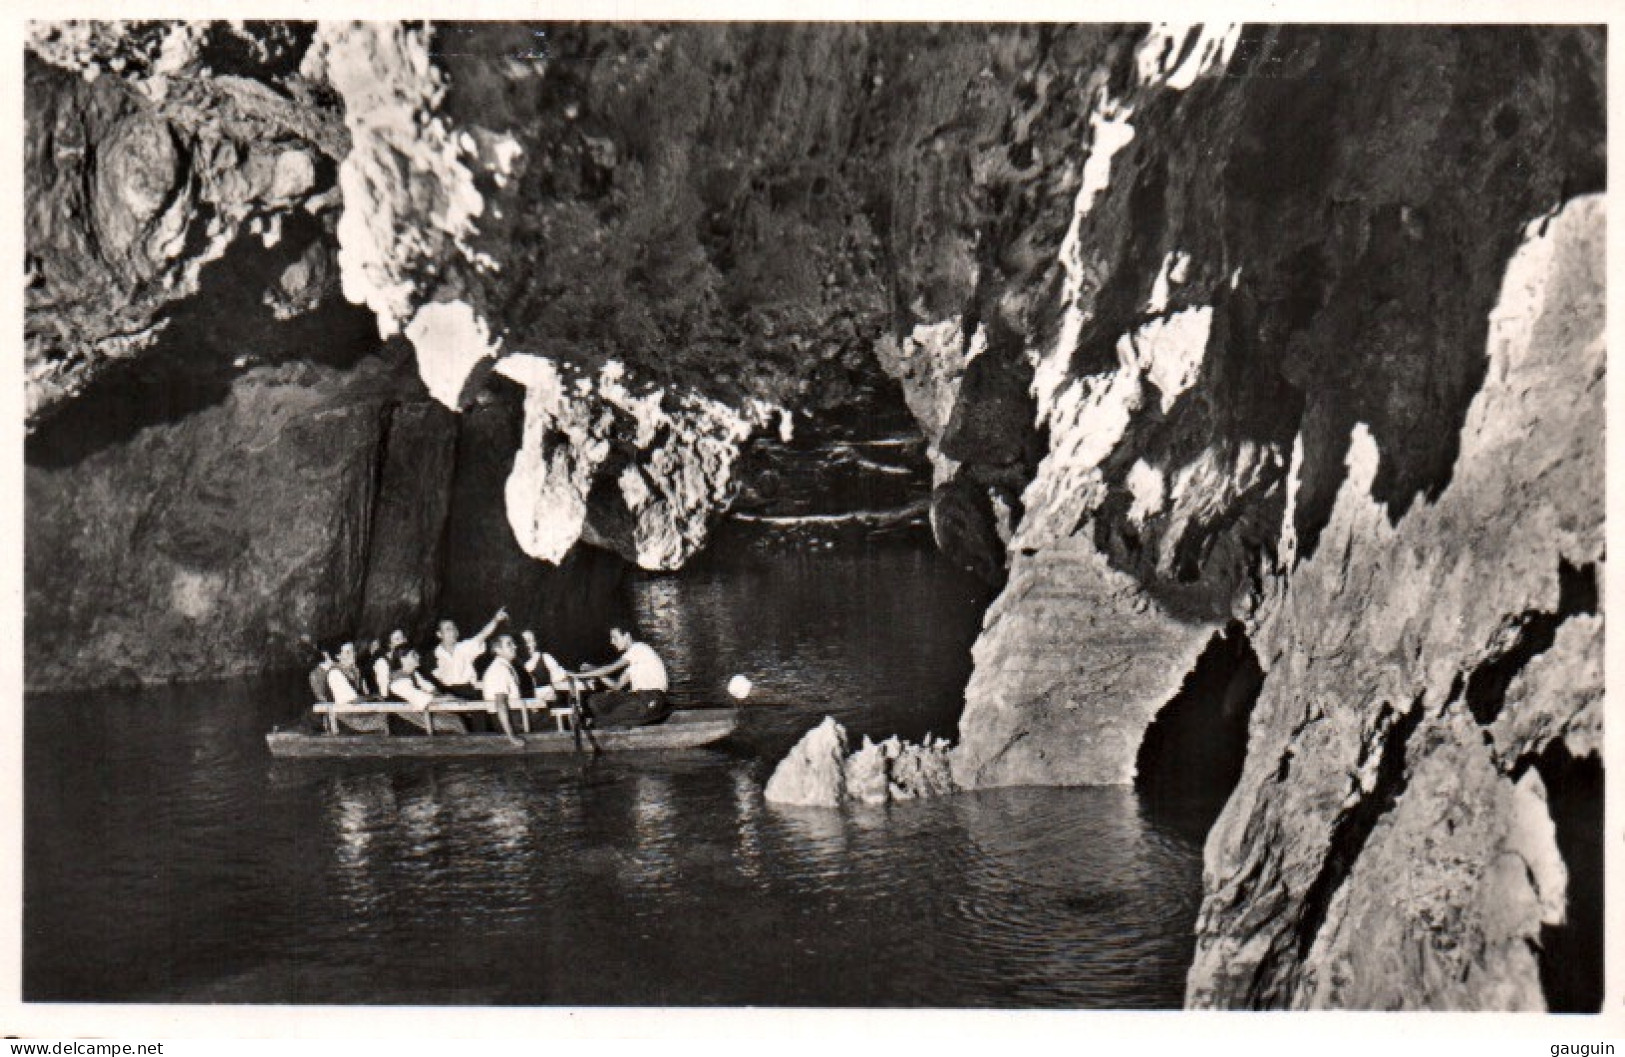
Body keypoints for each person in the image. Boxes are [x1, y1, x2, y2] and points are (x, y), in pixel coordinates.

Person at [576, 626, 671, 728]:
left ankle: (602, 722)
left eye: (615, 637)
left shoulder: (639, 648)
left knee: (603, 721)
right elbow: (616, 686)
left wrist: (575, 675)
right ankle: (607, 721)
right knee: (595, 700)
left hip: (652, 698)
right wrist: (594, 671)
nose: (612, 642)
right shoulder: (635, 660)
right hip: (637, 698)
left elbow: (609, 668)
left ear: (627, 636)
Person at [432, 608, 507, 699]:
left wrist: (496, 620)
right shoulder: (433, 656)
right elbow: (431, 683)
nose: (453, 632)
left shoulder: (465, 647)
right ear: (439, 634)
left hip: (468, 693)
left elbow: (482, 635)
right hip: (447, 696)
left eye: (454, 628)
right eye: (448, 629)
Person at [388, 648, 466, 734]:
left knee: (456, 718)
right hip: (405, 722)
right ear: (402, 659)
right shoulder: (398, 679)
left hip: (417, 715)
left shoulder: (414, 674)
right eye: (414, 654)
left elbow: (431, 689)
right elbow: (420, 698)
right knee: (452, 722)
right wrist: (446, 698)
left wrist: (445, 697)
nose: (418, 656)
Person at [480, 632, 527, 747]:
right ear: (498, 649)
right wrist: (511, 737)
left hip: (515, 716)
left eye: (514, 644)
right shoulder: (499, 669)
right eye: (509, 644)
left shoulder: (505, 666)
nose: (515, 647)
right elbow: (500, 704)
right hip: (510, 721)